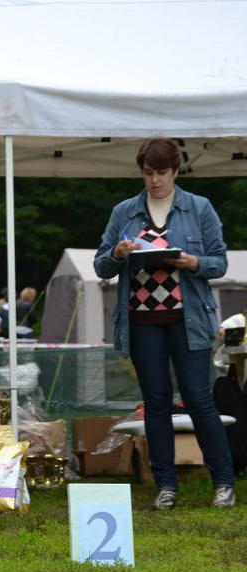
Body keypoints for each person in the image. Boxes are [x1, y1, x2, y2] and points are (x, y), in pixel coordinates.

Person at [94, 137, 235, 509]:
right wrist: (118, 252)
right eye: (148, 173)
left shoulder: (200, 208)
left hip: (188, 320)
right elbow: (100, 265)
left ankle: (223, 481)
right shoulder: (124, 211)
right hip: (142, 321)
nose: (155, 180)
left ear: (176, 171)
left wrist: (192, 263)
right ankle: (166, 486)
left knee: (198, 398)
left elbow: (220, 263)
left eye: (161, 173)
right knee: (156, 403)